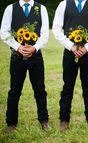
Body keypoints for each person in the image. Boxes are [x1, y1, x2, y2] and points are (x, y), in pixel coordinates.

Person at [52, 0, 88, 131]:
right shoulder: (64, 4)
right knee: (67, 86)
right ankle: (64, 120)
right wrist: (71, 46)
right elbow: (57, 28)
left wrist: (86, 47)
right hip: (70, 53)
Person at [0, 0, 49, 132]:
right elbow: (4, 32)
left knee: (40, 90)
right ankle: (11, 123)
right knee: (14, 91)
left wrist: (35, 47)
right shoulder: (10, 8)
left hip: (36, 56)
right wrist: (18, 47)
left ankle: (44, 121)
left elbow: (45, 35)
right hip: (17, 57)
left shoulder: (41, 8)